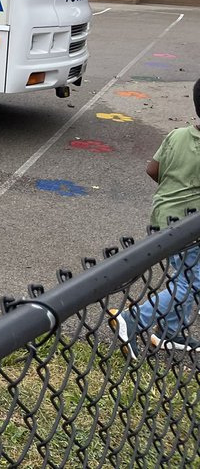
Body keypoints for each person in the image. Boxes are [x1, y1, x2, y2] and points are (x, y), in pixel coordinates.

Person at [109, 78, 200, 357]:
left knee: (185, 276)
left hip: (164, 217)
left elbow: (153, 170)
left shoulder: (178, 135)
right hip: (189, 226)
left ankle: (168, 332)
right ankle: (133, 318)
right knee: (194, 283)